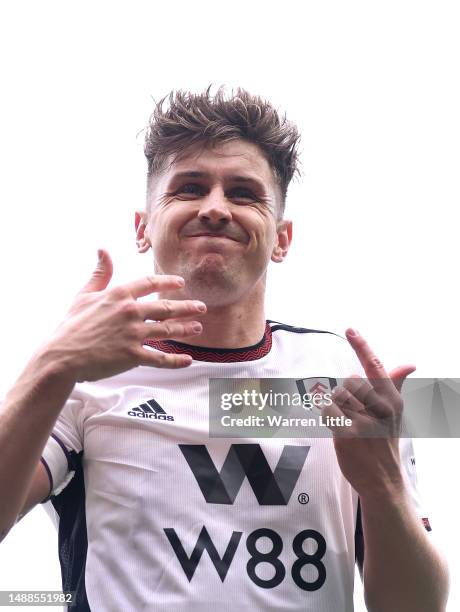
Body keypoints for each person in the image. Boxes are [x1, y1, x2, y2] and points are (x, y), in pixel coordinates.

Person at [0, 87, 449, 611]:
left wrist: (384, 487)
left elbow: (415, 606)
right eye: (189, 188)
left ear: (281, 239)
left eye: (243, 193)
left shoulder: (344, 379)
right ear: (143, 228)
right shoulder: (85, 378)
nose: (215, 209)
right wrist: (54, 363)